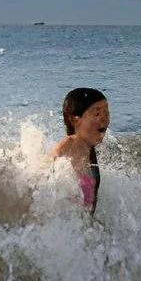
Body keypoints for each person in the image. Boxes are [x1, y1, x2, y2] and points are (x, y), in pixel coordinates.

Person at [52, 87, 108, 215]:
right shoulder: (70, 143)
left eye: (106, 112)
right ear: (75, 120)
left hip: (79, 230)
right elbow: (40, 173)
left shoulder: (90, 150)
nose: (104, 119)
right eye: (97, 114)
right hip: (62, 228)